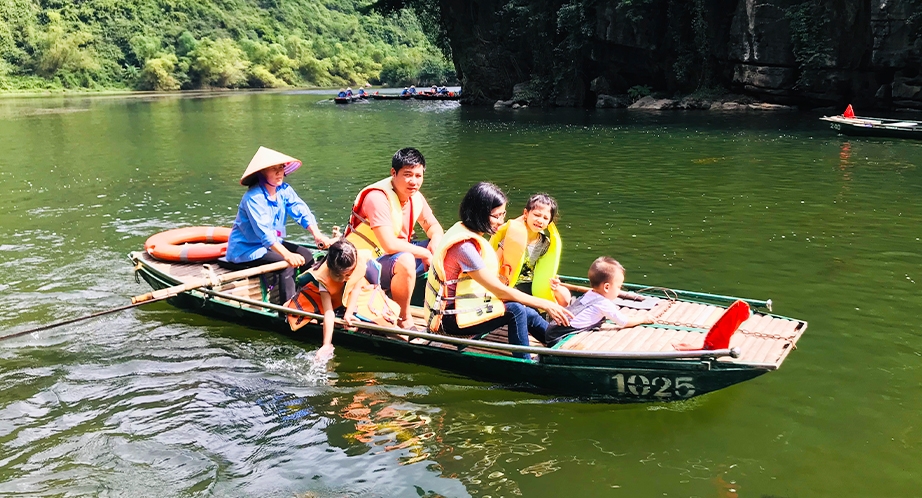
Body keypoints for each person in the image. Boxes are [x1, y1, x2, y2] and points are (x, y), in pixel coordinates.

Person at [424, 182, 573, 360]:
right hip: (449, 320)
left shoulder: (464, 229)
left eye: (503, 214)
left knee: (528, 312)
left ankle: (560, 343)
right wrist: (546, 304)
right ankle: (523, 363)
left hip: (464, 308)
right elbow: (499, 290)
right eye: (495, 216)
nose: (501, 221)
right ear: (479, 213)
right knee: (515, 309)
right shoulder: (464, 247)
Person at [344, 147, 444, 329]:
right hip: (362, 264)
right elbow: (389, 245)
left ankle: (444, 309)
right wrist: (424, 253)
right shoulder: (377, 198)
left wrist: (435, 243)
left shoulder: (415, 196)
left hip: (388, 259)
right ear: (393, 173)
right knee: (406, 259)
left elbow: (433, 227)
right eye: (407, 174)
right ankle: (404, 319)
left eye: (418, 175)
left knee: (443, 247)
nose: (414, 181)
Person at [226, 146, 334, 305]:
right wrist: (287, 255)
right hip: (248, 249)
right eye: (273, 169)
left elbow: (301, 211)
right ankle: (288, 310)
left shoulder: (284, 190)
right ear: (262, 173)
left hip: (272, 244)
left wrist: (317, 235)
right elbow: (265, 235)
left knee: (308, 256)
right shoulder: (253, 198)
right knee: (286, 265)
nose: (279, 173)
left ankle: (311, 301)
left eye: (281, 168)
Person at [539, 257, 654, 347]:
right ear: (607, 287)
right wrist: (643, 319)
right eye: (619, 286)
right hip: (560, 339)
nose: (620, 290)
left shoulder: (589, 295)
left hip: (552, 333)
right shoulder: (604, 303)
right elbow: (623, 322)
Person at [286, 239, 365, 359]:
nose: (343, 279)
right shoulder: (323, 279)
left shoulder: (356, 264)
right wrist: (326, 344)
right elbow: (329, 312)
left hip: (348, 297)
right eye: (338, 275)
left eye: (347, 275)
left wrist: (349, 313)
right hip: (324, 300)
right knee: (291, 311)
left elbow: (355, 289)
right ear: (329, 267)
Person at [491, 193, 570, 306]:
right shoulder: (513, 236)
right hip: (510, 285)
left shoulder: (544, 243)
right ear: (526, 213)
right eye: (537, 215)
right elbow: (494, 261)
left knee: (565, 297)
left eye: (545, 218)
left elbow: (544, 268)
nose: (540, 220)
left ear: (549, 222)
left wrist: (554, 282)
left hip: (531, 286)